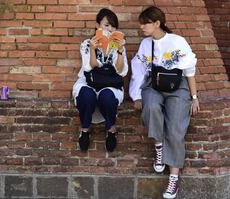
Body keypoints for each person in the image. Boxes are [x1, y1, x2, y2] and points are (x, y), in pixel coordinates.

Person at [129, 6, 200, 199]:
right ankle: (159, 146)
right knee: (150, 106)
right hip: (155, 86)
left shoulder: (177, 41)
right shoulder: (145, 44)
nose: (142, 27)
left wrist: (194, 98)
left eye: (146, 23)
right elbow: (139, 69)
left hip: (178, 87)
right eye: (141, 23)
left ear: (157, 23)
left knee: (176, 129)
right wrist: (136, 94)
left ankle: (174, 178)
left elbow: (189, 70)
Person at [73, 8, 128, 152]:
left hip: (110, 83)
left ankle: (111, 129)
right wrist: (92, 49)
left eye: (113, 26)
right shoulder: (87, 43)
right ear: (98, 26)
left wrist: (121, 51)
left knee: (107, 97)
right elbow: (88, 67)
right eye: (106, 25)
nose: (110, 29)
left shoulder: (117, 45)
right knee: (87, 95)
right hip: (89, 80)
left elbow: (121, 71)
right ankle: (84, 130)